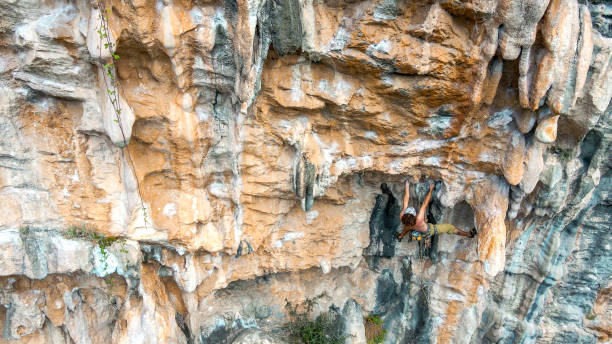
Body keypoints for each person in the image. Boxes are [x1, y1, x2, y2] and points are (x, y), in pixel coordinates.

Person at [395, 180, 476, 242]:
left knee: (407, 227)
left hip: (413, 227)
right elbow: (425, 203)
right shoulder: (419, 218)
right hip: (429, 230)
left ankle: (401, 236)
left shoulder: (402, 216)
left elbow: (405, 201)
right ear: (413, 214)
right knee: (449, 227)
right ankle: (468, 234)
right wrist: (431, 189)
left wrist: (407, 186)